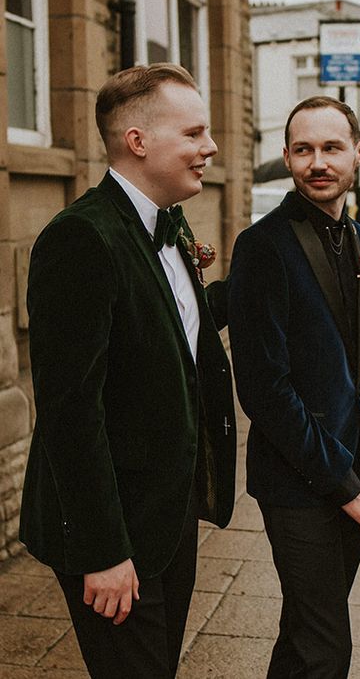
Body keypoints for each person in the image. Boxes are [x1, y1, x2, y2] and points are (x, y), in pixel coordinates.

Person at [19, 63, 237, 678]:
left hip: (168, 517)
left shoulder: (171, 222)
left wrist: (251, 286)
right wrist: (103, 552)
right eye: (194, 133)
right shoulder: (81, 240)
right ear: (138, 142)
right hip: (112, 531)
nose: (210, 147)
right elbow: (69, 411)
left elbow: (171, 330)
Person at [228, 96, 360, 678]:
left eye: (332, 148)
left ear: (358, 154)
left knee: (305, 633)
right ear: (286, 156)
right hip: (299, 482)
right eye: (304, 149)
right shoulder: (261, 247)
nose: (318, 162)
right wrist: (344, 488)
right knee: (325, 649)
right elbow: (265, 390)